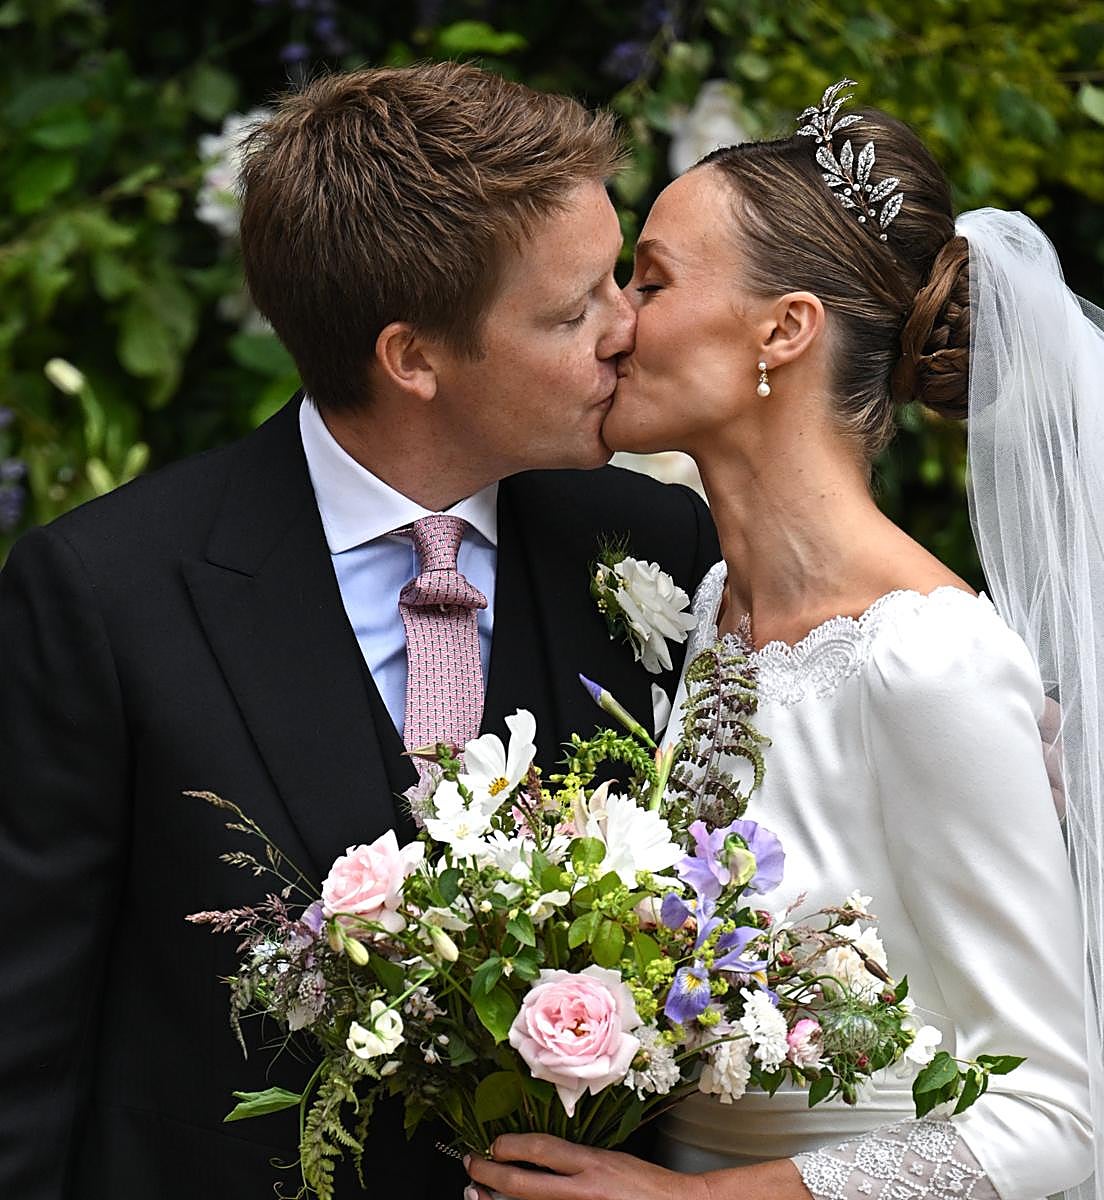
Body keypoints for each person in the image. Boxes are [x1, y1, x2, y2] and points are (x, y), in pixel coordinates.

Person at [464, 80, 1104, 1200]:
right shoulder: (709, 612)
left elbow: (1059, 1114)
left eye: (649, 281)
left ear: (785, 329)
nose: (613, 322)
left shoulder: (927, 663)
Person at [0, 63, 719, 1200]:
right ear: (413, 358)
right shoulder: (104, 594)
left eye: (616, 280)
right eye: (572, 310)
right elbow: (22, 1041)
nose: (626, 330)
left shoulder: (656, 547)